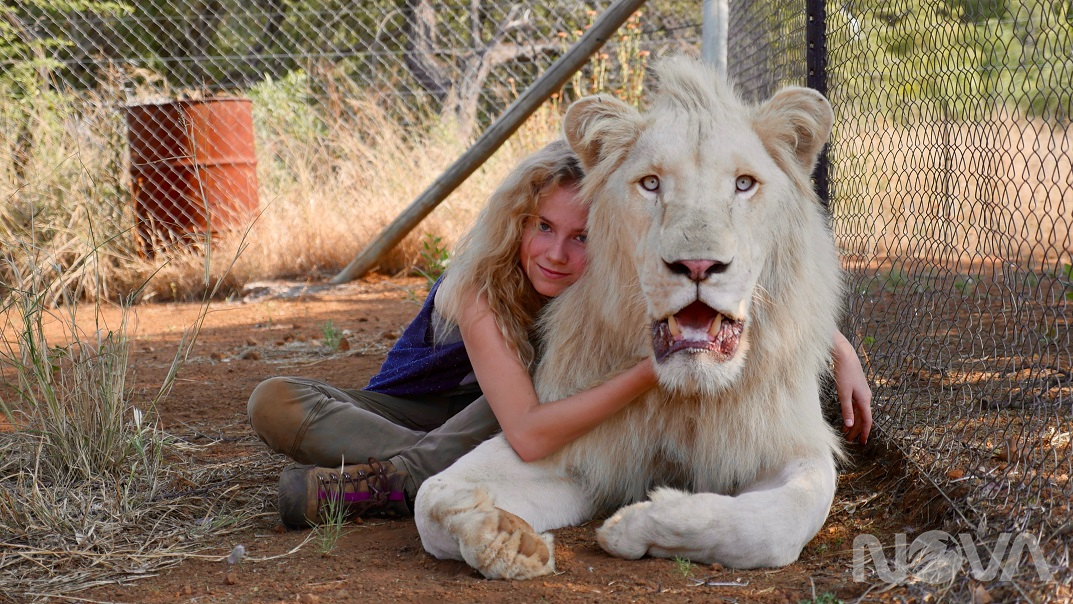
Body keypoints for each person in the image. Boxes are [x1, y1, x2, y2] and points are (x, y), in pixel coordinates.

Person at [247, 140, 873, 529]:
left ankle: (396, 476)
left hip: (519, 408)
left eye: (582, 238)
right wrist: (648, 368)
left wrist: (836, 347)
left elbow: (711, 298)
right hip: (436, 407)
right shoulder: (476, 289)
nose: (555, 254)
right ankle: (408, 476)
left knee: (525, 398)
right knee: (273, 399)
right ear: (517, 222)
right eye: (543, 227)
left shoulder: (614, 279)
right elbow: (527, 429)